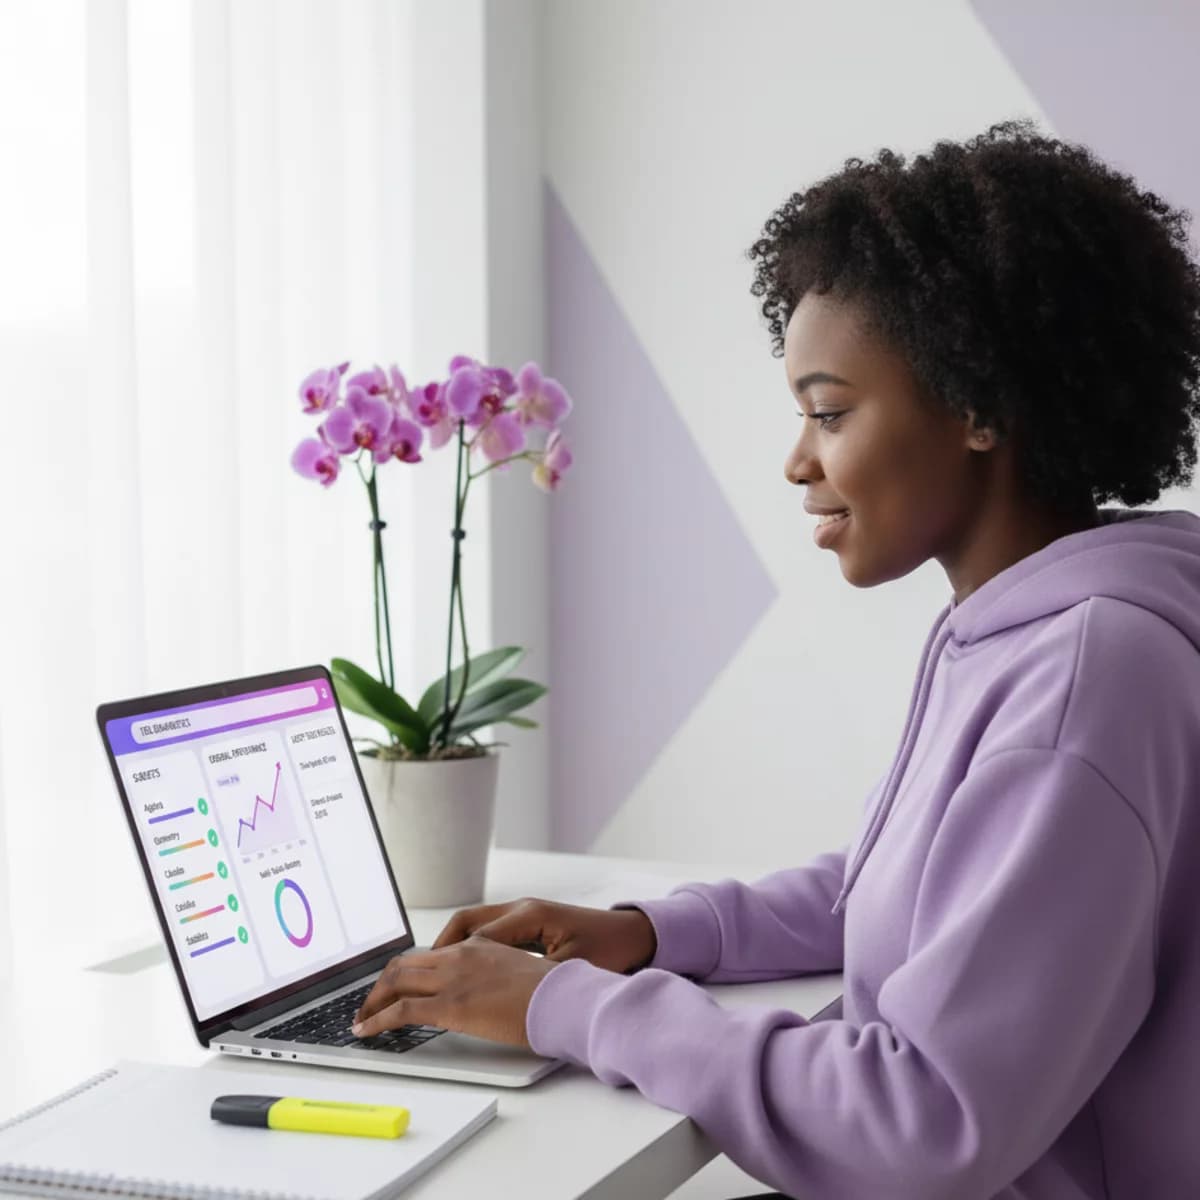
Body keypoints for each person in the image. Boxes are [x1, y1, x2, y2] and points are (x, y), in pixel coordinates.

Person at [351, 118, 1200, 1198]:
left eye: (830, 412)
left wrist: (555, 1008)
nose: (797, 460)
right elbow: (902, 892)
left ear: (983, 404)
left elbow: (922, 1117)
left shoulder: (1087, 679)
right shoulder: (1025, 630)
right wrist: (645, 932)